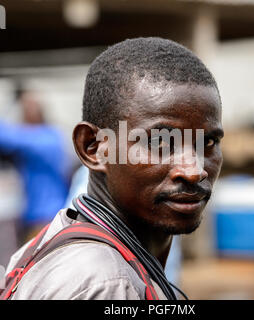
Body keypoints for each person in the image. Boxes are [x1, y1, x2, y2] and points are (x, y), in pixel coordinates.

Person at [4, 37, 223, 300]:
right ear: (93, 147)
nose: (193, 170)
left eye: (207, 142)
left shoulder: (64, 243)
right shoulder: (107, 285)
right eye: (160, 142)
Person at [0, 90, 71, 242]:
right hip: (42, 216)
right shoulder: (50, 136)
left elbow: (6, 136)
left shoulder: (44, 139)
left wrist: (13, 103)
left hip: (45, 218)